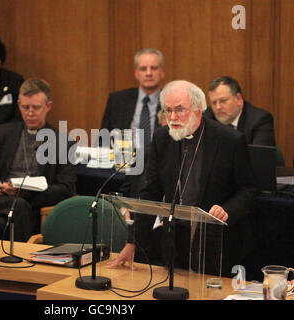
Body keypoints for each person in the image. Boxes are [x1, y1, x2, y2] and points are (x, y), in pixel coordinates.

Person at [107, 80, 258, 279]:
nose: (172, 117)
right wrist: (132, 242)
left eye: (179, 110)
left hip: (217, 244)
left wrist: (227, 210)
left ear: (198, 108)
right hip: (175, 242)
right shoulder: (163, 138)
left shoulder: (230, 140)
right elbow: (149, 194)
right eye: (167, 110)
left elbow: (248, 190)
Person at [0, 78, 76, 242]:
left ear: (48, 107)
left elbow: (66, 189)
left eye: (36, 108)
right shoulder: (1, 134)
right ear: (19, 104)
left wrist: (27, 193)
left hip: (32, 206)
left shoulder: (63, 143)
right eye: (25, 107)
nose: (30, 113)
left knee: (14, 210)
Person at [100, 48, 165, 146]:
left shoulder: (170, 102)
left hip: (158, 159)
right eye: (143, 69)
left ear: (162, 72)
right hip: (124, 157)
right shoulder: (118, 100)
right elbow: (103, 139)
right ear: (136, 74)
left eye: (154, 68)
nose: (148, 73)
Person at [205, 76, 275, 146]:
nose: (218, 107)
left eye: (223, 101)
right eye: (214, 103)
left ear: (238, 98)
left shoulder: (260, 120)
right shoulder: (207, 119)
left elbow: (259, 155)